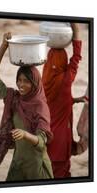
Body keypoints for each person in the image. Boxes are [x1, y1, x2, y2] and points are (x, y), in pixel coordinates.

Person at [0, 32, 54, 181]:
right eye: (19, 80)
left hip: (36, 167)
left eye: (27, 81)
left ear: (35, 84)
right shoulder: (14, 99)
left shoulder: (41, 107)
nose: (21, 85)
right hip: (18, 163)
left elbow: (42, 142)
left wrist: (25, 135)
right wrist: (4, 46)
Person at [42, 23, 82, 178]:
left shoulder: (43, 81)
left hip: (45, 141)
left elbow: (58, 102)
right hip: (60, 145)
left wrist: (73, 100)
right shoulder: (66, 79)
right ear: (64, 61)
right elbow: (77, 57)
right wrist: (76, 29)